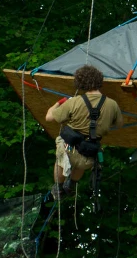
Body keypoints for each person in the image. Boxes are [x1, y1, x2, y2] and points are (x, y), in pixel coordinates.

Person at [45, 64, 124, 194]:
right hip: (89, 155)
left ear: (80, 83)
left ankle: (58, 188)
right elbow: (119, 125)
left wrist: (59, 102)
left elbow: (49, 117)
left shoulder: (74, 102)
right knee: (83, 152)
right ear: (99, 81)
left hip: (69, 149)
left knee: (62, 146)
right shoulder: (112, 104)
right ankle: (72, 184)